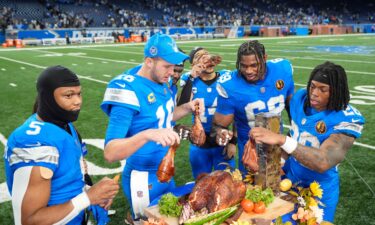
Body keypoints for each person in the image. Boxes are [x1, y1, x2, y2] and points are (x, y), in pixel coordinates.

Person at [100, 33, 203, 221]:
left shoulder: (160, 81)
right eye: (167, 66)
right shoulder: (128, 89)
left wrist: (187, 107)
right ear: (149, 62)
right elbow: (110, 153)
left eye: (173, 66)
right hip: (143, 178)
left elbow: (163, 116)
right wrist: (147, 134)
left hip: (165, 171)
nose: (172, 72)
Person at [250, 61, 365, 222]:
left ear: (336, 91)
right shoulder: (300, 99)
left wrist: (282, 140)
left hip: (320, 189)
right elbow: (296, 133)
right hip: (291, 179)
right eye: (312, 86)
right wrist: (279, 161)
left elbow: (323, 162)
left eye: (322, 89)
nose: (314, 93)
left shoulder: (345, 118)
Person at [4, 66, 119, 225]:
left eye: (79, 94)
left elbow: (66, 180)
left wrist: (92, 193)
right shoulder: (34, 143)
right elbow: (30, 220)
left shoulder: (65, 125)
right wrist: (87, 198)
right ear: (48, 98)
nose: (77, 101)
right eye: (68, 95)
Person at [212, 40, 295, 174]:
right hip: (250, 151)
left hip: (279, 145)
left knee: (283, 189)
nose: (248, 71)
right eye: (243, 66)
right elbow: (219, 124)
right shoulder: (230, 85)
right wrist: (221, 133)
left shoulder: (282, 69)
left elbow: (293, 111)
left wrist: (291, 139)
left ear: (265, 58)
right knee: (251, 192)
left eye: (254, 65)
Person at [178, 47, 235, 179]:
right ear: (193, 64)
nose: (206, 58)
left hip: (223, 141)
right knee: (201, 183)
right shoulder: (190, 80)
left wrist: (233, 142)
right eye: (199, 57)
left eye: (207, 55)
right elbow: (182, 106)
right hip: (199, 144)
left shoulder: (226, 78)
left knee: (227, 183)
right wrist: (192, 76)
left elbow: (237, 111)